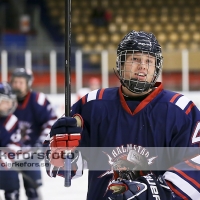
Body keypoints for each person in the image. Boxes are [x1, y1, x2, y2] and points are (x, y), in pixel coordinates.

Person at [45, 30, 200, 200]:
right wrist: (59, 152)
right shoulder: (93, 105)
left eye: (149, 61)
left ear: (156, 67)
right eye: (135, 59)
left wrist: (157, 192)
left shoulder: (180, 110)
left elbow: (196, 165)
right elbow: (65, 169)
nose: (142, 66)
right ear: (120, 62)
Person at [10, 68, 58, 200]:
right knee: (11, 192)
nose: (17, 85)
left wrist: (42, 142)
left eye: (21, 82)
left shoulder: (38, 100)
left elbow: (52, 121)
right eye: (15, 82)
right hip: (8, 153)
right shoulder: (5, 99)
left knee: (33, 191)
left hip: (31, 152)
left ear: (28, 84)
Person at [0, 82, 21, 200]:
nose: (9, 105)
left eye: (11, 101)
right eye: (5, 101)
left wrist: (4, 156)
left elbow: (15, 145)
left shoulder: (12, 120)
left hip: (5, 165)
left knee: (12, 184)